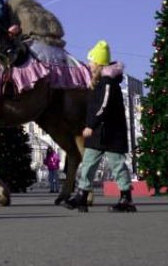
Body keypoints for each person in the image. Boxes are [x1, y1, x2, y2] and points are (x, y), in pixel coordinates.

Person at [63, 40, 136, 213]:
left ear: (99, 63)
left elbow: (104, 106)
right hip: (98, 134)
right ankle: (82, 195)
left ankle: (126, 198)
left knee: (117, 166)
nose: (89, 64)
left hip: (111, 133)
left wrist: (91, 125)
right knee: (88, 164)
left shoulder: (108, 83)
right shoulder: (99, 82)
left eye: (91, 61)